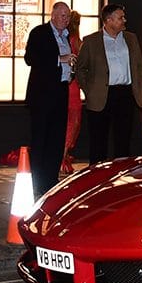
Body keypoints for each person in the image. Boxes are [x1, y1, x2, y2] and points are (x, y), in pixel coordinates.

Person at [75, 4, 142, 164]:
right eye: (120, 18)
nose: (124, 20)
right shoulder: (91, 41)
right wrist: (90, 91)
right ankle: (96, 177)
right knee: (98, 141)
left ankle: (121, 175)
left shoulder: (131, 38)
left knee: (123, 140)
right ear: (108, 20)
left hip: (126, 94)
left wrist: (137, 86)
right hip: (101, 96)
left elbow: (139, 65)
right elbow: (81, 69)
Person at [24, 2, 73, 197]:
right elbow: (30, 58)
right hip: (42, 95)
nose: (65, 20)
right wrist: (60, 59)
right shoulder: (40, 32)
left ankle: (51, 179)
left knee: (56, 139)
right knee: (41, 139)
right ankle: (38, 181)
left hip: (61, 92)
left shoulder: (67, 36)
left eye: (68, 17)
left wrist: (71, 69)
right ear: (52, 15)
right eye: (62, 16)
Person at [61, 10, 84, 176]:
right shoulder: (75, 41)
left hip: (67, 85)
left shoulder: (66, 40)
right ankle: (64, 154)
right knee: (73, 121)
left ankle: (62, 154)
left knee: (66, 121)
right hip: (73, 86)